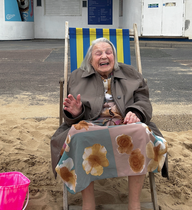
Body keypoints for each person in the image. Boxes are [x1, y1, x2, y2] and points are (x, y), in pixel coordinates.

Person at [51, 37, 168, 210]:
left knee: (142, 131)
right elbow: (72, 113)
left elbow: (143, 99)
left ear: (114, 56)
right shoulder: (77, 77)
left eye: (108, 52)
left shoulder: (131, 73)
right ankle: (88, 204)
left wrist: (135, 112)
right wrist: (77, 113)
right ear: (90, 59)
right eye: (98, 53)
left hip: (125, 124)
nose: (104, 56)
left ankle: (134, 204)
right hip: (91, 124)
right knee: (77, 133)